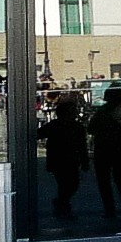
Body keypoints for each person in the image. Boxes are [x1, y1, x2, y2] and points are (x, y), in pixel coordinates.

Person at [90, 87, 121, 221]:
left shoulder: (102, 112)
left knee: (104, 181)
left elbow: (91, 128)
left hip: (103, 149)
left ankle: (110, 209)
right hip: (119, 150)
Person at [42, 91, 90, 219]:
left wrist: (85, 161)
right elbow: (82, 147)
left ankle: (62, 203)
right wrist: (85, 162)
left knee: (68, 184)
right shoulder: (72, 126)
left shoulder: (65, 126)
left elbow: (82, 146)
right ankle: (63, 203)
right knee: (69, 184)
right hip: (66, 160)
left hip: (63, 160)